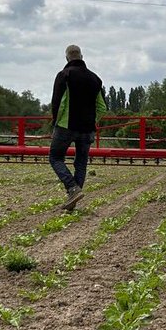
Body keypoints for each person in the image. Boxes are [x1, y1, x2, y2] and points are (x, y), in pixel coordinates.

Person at [49, 44, 106, 210]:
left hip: (66, 126)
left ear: (67, 58)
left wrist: (55, 122)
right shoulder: (95, 79)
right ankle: (72, 199)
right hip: (87, 129)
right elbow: (102, 107)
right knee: (81, 163)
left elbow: (59, 103)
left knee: (55, 158)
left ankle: (72, 189)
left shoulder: (64, 75)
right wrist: (93, 121)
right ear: (81, 56)